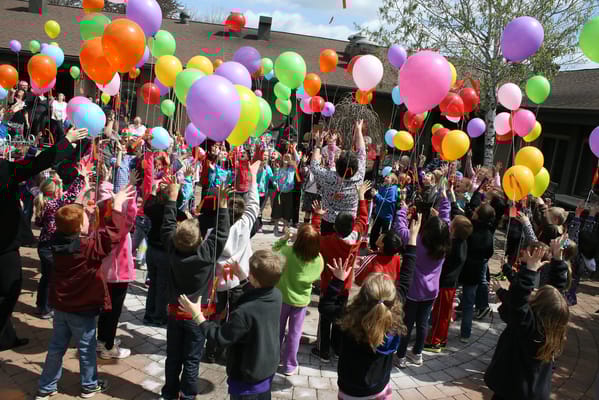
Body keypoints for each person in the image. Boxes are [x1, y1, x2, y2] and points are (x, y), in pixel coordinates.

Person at [35, 184, 136, 400]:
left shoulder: (55, 241)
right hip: (83, 308)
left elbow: (69, 221)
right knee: (86, 348)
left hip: (61, 307)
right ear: (81, 227)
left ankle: (46, 387)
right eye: (85, 220)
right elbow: (112, 236)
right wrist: (117, 206)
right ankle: (89, 386)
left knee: (56, 347)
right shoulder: (88, 247)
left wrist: (84, 210)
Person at [0, 127, 86, 351]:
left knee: (10, 288)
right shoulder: (3, 169)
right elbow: (36, 165)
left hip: (7, 242)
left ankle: (6, 337)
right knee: (10, 289)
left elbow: (34, 166)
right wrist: (66, 141)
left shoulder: (5, 168)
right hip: (3, 243)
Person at [321, 214, 421, 399]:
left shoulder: (349, 319)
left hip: (350, 390)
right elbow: (406, 278)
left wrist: (337, 281)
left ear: (363, 294)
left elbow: (325, 307)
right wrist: (412, 239)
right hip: (379, 389)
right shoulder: (394, 323)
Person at [178, 249, 283, 400]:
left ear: (253, 277)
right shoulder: (276, 295)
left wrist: (197, 315)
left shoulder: (244, 313)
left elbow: (220, 337)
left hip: (247, 378)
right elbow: (258, 294)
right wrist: (242, 277)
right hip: (266, 368)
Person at [160, 183, 230, 400]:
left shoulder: (171, 249)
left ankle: (169, 393)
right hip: (198, 316)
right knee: (191, 359)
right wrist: (223, 204)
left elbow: (167, 226)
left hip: (174, 313)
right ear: (200, 239)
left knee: (173, 357)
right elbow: (221, 232)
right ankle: (187, 396)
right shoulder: (206, 254)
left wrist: (172, 198)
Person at [484, 246, 570, 400]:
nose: (534, 291)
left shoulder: (528, 328)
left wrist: (529, 272)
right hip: (533, 392)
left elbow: (518, 302)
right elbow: (556, 293)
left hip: (511, 391)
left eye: (537, 294)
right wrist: (557, 260)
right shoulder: (553, 326)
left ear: (538, 307)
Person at [203, 161, 261, 363]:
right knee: (235, 315)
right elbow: (254, 204)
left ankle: (211, 350)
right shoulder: (245, 226)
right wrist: (252, 178)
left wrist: (221, 201)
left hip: (218, 282)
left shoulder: (213, 233)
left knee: (216, 315)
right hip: (238, 280)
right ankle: (229, 351)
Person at [311, 181, 371, 362]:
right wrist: (361, 197)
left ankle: (323, 351)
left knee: (325, 319)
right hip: (345, 286)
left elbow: (313, 235)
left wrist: (317, 216)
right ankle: (337, 348)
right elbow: (363, 219)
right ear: (351, 227)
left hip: (328, 286)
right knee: (339, 318)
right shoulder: (356, 239)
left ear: (335, 227)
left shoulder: (327, 241)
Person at [395, 188, 451, 368]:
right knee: (422, 324)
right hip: (431, 292)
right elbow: (446, 220)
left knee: (407, 324)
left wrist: (403, 209)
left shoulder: (417, 242)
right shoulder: (444, 244)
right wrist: (444, 199)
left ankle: (401, 356)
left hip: (413, 291)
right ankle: (418, 354)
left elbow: (400, 228)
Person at [96, 171, 138, 360]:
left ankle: (101, 340)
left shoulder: (98, 219)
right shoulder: (119, 228)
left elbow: (103, 197)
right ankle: (108, 347)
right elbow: (130, 213)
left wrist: (104, 181)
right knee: (113, 311)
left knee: (105, 309)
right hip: (118, 274)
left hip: (104, 271)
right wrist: (131, 188)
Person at [35, 171, 87, 319]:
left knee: (46, 277)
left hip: (43, 245)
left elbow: (39, 223)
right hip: (49, 246)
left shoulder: (43, 201)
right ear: (54, 191)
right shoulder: (53, 204)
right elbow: (70, 196)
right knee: (51, 278)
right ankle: (46, 309)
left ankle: (41, 306)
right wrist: (81, 177)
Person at [274, 224, 323, 376]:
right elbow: (316, 278)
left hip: (282, 298)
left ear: (298, 239)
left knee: (277, 331)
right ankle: (289, 365)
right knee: (295, 334)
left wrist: (285, 238)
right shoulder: (319, 260)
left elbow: (274, 251)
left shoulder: (287, 252)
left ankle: (273, 359)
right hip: (301, 302)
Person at [424, 215, 473, 352]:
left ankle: (434, 341)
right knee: (445, 314)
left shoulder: (454, 246)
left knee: (440, 314)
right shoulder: (463, 242)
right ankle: (442, 339)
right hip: (451, 284)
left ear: (454, 228)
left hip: (446, 285)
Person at [311, 120, 366, 234]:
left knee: (326, 248)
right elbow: (362, 152)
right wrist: (359, 130)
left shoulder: (328, 177)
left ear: (336, 164)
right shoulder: (359, 175)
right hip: (349, 223)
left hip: (328, 221)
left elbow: (314, 166)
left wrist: (318, 145)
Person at [459, 203, 496, 342]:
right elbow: (489, 253)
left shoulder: (470, 228)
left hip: (462, 267)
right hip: (475, 271)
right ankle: (465, 334)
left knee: (448, 295)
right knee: (469, 303)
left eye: (477, 210)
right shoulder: (488, 233)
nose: (474, 210)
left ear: (478, 215)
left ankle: (434, 323)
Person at [369, 173, 399, 251]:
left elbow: (387, 203)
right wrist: (374, 195)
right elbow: (378, 199)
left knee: (384, 235)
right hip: (378, 213)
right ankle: (373, 247)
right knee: (374, 231)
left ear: (392, 181)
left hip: (386, 217)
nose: (385, 178)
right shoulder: (383, 187)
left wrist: (377, 195)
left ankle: (383, 250)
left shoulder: (392, 190)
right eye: (386, 176)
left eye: (388, 177)